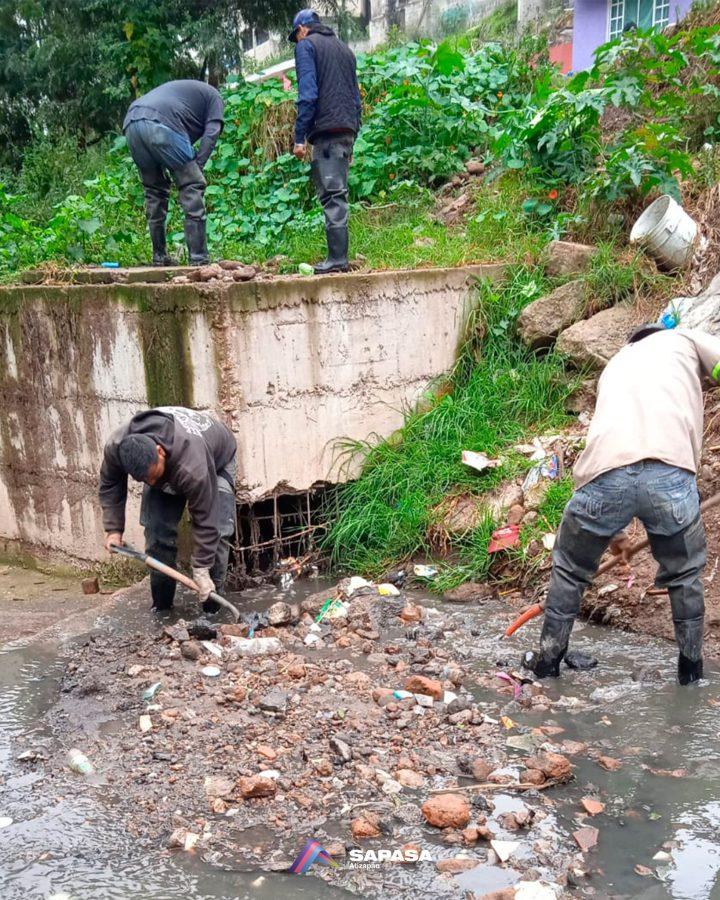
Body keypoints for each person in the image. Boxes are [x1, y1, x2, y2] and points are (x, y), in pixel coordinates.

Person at [525, 324, 720, 685]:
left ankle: (547, 664)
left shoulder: (615, 364)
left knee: (569, 570)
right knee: (685, 576)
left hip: (603, 476)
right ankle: (690, 673)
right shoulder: (683, 340)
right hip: (670, 473)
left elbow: (610, 443)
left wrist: (613, 532)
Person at [99, 407, 237, 611]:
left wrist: (200, 569)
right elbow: (110, 484)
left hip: (218, 461)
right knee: (157, 534)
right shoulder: (117, 447)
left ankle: (212, 611)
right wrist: (113, 530)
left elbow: (206, 520)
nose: (152, 482)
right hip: (173, 459)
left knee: (218, 534)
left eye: (154, 476)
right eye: (146, 480)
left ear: (159, 451)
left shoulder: (193, 468)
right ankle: (162, 608)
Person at [289, 9, 362, 274]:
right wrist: (354, 133)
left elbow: (308, 95)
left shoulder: (306, 46)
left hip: (327, 130)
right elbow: (356, 98)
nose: (297, 43)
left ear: (301, 30)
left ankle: (337, 260)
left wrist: (299, 137)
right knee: (338, 193)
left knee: (332, 195)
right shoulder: (345, 49)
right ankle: (338, 257)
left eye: (295, 38)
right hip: (346, 129)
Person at [123, 80, 224, 267]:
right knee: (191, 186)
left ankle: (159, 257)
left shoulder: (187, 94)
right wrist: (197, 167)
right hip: (161, 123)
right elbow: (212, 132)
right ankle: (199, 259)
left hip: (131, 123)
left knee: (154, 193)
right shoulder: (215, 98)